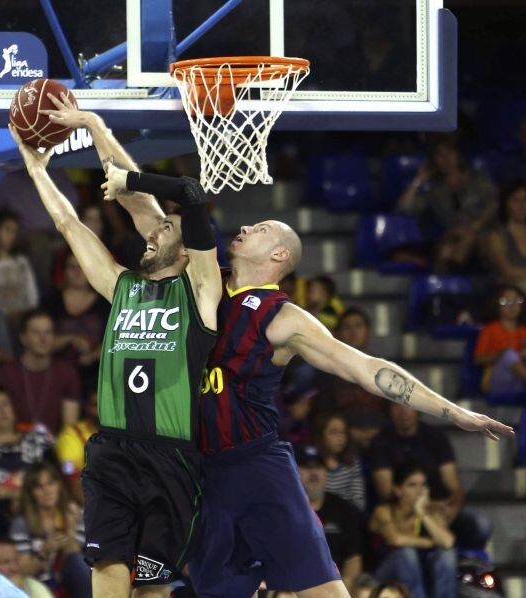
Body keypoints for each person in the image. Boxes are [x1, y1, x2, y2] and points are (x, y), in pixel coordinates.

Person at [57, 99, 512, 598]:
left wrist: (452, 412)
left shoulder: (283, 316)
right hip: (194, 467)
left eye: (264, 229)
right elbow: (139, 202)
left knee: (324, 592)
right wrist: (96, 127)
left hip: (256, 467)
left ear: (279, 256)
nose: (247, 226)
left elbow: (367, 369)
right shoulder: (197, 276)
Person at [11, 97, 221, 598]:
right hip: (111, 451)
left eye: (163, 230)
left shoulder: (201, 292)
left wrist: (102, 135)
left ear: (188, 249)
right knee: (106, 572)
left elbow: (182, 199)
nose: (151, 233)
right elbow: (70, 224)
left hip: (171, 457)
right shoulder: (121, 285)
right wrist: (40, 165)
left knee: (151, 590)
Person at [369, 404, 492, 553]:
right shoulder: (381, 441)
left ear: (417, 406)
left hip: (437, 511)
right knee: (412, 551)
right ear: (388, 410)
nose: (402, 412)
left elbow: (454, 487)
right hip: (403, 512)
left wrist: (452, 510)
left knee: (480, 524)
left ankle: (467, 563)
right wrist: (428, 506)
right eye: (396, 406)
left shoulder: (435, 436)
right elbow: (387, 493)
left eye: (407, 406)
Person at [397, 137, 498, 273]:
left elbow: (494, 205)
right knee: (445, 250)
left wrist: (475, 226)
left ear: (458, 154)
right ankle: (445, 287)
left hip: (484, 235)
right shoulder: (436, 191)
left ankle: (452, 276)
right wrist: (418, 180)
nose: (446, 159)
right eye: (439, 155)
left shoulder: (478, 180)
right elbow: (405, 208)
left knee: (466, 239)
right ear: (434, 161)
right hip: (452, 237)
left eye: (449, 153)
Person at [369, 463, 456, 598]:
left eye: (423, 485)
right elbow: (396, 539)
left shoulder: (430, 515)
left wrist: (422, 513)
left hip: (420, 577)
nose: (419, 491)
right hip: (384, 577)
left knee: (446, 555)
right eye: (412, 485)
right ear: (397, 490)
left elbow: (448, 542)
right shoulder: (384, 511)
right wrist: (431, 542)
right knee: (406, 554)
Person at [0, 309, 81, 435]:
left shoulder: (67, 373)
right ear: (23, 338)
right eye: (36, 333)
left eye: (48, 332)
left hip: (55, 449)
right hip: (14, 445)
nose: (43, 339)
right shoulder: (5, 374)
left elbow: (70, 428)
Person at [313, 308, 389, 451]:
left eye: (358, 326)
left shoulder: (385, 369)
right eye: (347, 327)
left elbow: (395, 409)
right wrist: (349, 432)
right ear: (337, 334)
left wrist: (380, 432)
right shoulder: (327, 370)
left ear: (368, 332)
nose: (353, 332)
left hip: (383, 438)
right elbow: (323, 412)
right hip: (342, 441)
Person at [9, 461, 90, 597]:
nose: (47, 491)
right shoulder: (21, 524)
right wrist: (45, 551)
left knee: (76, 560)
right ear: (30, 493)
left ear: (59, 485)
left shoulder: (75, 514)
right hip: (37, 585)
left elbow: (77, 562)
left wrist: (70, 529)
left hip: (69, 582)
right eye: (39, 487)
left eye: (51, 483)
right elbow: (23, 570)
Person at [297, 445, 364, 588]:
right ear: (296, 472)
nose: (314, 472)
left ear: (326, 473)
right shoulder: (286, 511)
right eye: (307, 468)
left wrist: (343, 587)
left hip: (336, 586)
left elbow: (353, 557)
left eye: (318, 467)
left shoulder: (344, 509)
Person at [0, 388, 53, 523]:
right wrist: (14, 493)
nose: (2, 411)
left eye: (5, 404)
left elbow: (55, 477)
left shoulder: (38, 439)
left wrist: (5, 492)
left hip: (40, 514)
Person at [45, 248, 109, 379]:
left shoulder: (105, 302)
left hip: (99, 372)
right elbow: (38, 339)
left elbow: (116, 341)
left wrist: (93, 355)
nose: (78, 272)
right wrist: (70, 339)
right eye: (72, 267)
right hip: (55, 371)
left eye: (82, 266)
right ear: (63, 271)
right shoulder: (50, 300)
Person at [0, 208, 39, 323]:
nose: (12, 236)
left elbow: (32, 293)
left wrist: (26, 314)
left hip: (25, 318)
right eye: (8, 230)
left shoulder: (21, 262)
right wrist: (4, 314)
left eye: (15, 232)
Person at [474, 284, 526, 395]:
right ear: (497, 305)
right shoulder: (490, 330)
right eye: (506, 301)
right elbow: (478, 359)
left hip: (520, 383)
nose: (512, 306)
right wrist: (501, 355)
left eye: (517, 301)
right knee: (508, 354)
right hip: (497, 381)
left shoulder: (524, 330)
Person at [313, 412, 366, 512]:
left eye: (343, 432)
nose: (340, 438)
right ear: (320, 436)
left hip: (346, 519)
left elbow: (358, 502)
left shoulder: (352, 463)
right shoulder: (311, 465)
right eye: (334, 432)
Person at [56, 385, 99, 505]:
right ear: (86, 407)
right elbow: (71, 478)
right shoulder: (69, 436)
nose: (103, 410)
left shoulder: (123, 432)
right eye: (96, 405)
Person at [485, 182, 526, 287]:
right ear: (506, 204)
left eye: (525, 200)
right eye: (515, 200)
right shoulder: (497, 236)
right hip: (511, 289)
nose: (522, 206)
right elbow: (507, 271)